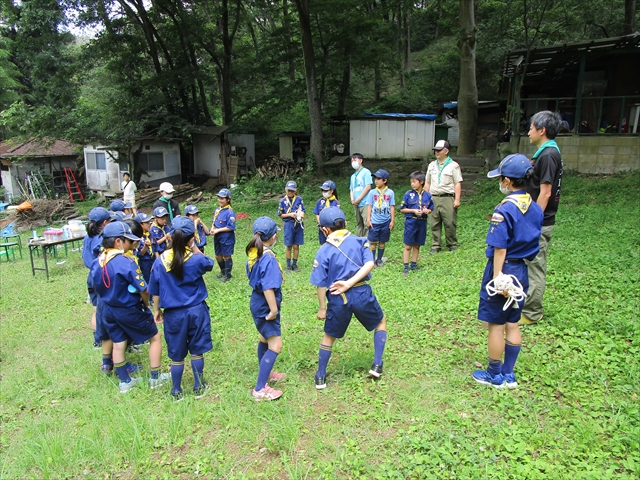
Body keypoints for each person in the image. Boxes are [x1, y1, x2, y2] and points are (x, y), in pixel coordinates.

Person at [472, 154, 543, 388]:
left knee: (496, 325)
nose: (500, 183)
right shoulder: (535, 207)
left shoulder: (503, 209)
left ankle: (494, 375)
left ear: (507, 181)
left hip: (504, 269)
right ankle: (509, 374)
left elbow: (500, 248)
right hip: (522, 271)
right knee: (513, 322)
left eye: (501, 179)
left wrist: (497, 279)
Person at [310, 207, 388, 390]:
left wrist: (322, 308)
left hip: (337, 298)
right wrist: (351, 282)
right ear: (345, 223)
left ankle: (320, 376)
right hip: (361, 293)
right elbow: (370, 263)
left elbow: (321, 285)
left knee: (329, 336)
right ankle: (377, 365)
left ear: (325, 229)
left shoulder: (323, 251)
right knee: (380, 322)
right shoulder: (361, 241)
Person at [90, 221, 169, 393]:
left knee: (118, 343)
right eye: (128, 240)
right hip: (128, 308)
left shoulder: (98, 262)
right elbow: (143, 289)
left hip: (108, 309)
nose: (130, 244)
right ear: (118, 241)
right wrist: (146, 304)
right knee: (154, 337)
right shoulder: (125, 262)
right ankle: (155, 378)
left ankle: (125, 382)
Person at [149, 216, 215, 401]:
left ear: (169, 237)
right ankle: (198, 386)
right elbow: (209, 263)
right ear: (191, 237)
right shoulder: (195, 260)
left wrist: (157, 310)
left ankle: (176, 390)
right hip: (196, 311)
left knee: (177, 354)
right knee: (196, 349)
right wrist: (194, 246)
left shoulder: (160, 262)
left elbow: (154, 290)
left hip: (173, 314)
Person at [520, 110, 563, 326]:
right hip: (538, 220)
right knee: (530, 262)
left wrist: (533, 221)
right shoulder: (546, 153)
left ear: (542, 130)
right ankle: (527, 306)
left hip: (540, 222)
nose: (528, 132)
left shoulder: (547, 156)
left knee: (535, 264)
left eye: (531, 127)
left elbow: (545, 192)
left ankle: (531, 313)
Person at [246, 217, 286, 401]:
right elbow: (268, 287)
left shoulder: (254, 252)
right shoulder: (268, 257)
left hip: (256, 300)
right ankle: (260, 388)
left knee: (264, 338)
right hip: (265, 302)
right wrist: (273, 310)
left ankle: (268, 373)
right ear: (273, 236)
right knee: (276, 345)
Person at [425, 140, 463, 253]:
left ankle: (452, 243)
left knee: (449, 221)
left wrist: (457, 199)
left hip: (448, 197)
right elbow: (427, 182)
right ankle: (436, 245)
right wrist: (425, 198)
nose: (436, 152)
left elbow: (457, 183)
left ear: (446, 151)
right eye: (435, 150)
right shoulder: (431, 165)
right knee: (434, 222)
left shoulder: (453, 166)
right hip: (434, 197)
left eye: (439, 150)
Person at [82, 207, 111, 348]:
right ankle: (105, 338)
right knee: (105, 309)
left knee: (95, 309)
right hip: (101, 276)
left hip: (91, 276)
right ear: (105, 222)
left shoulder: (87, 236)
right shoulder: (101, 239)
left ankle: (97, 341)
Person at [400, 171, 434, 276]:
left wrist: (427, 211)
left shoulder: (428, 195)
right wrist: (413, 211)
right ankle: (406, 266)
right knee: (408, 245)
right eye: (411, 182)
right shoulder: (408, 194)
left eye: (414, 182)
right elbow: (402, 209)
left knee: (417, 245)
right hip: (411, 222)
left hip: (422, 222)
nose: (412, 184)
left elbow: (431, 208)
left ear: (421, 182)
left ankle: (414, 265)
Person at [365, 169, 395, 268]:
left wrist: (392, 221)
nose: (376, 181)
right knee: (373, 242)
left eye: (378, 179)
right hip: (374, 222)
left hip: (385, 222)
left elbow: (392, 207)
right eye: (375, 179)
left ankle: (379, 259)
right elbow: (369, 206)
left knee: (382, 242)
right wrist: (368, 219)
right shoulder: (372, 193)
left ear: (384, 180)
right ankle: (372, 260)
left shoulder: (390, 193)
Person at [278, 180, 305, 272]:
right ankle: (288, 265)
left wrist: (301, 215)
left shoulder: (299, 199)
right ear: (285, 190)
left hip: (298, 224)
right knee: (289, 245)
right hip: (289, 224)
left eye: (292, 191)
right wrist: (290, 214)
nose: (290, 192)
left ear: (296, 190)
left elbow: (303, 211)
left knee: (296, 245)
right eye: (288, 190)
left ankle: (295, 264)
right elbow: (280, 215)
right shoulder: (282, 201)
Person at [211, 188, 236, 282]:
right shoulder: (218, 210)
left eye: (222, 198)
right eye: (219, 198)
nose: (220, 200)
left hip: (226, 237)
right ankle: (222, 271)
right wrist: (212, 228)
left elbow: (231, 227)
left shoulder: (230, 212)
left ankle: (228, 275)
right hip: (217, 237)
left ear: (228, 199)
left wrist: (218, 230)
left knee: (226, 256)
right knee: (218, 255)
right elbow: (214, 221)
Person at [349, 153, 372, 237]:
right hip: (356, 203)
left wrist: (359, 199)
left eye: (355, 160)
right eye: (352, 161)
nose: (353, 162)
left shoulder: (366, 172)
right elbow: (351, 189)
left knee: (367, 223)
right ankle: (359, 240)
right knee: (359, 223)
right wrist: (352, 200)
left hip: (365, 202)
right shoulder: (352, 176)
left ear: (361, 160)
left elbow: (368, 186)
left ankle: (367, 242)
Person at [313, 180, 340, 245]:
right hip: (322, 228)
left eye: (326, 191)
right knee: (323, 245)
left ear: (332, 191)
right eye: (323, 190)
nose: (324, 192)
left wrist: (329, 228)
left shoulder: (336, 202)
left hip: (332, 228)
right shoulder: (320, 201)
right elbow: (317, 213)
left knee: (332, 245)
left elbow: (336, 216)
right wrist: (320, 224)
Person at [134, 212, 154, 283]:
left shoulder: (149, 234)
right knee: (148, 279)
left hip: (152, 259)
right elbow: (141, 254)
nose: (149, 224)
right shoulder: (137, 238)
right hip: (145, 262)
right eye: (147, 223)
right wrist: (145, 246)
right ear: (140, 225)